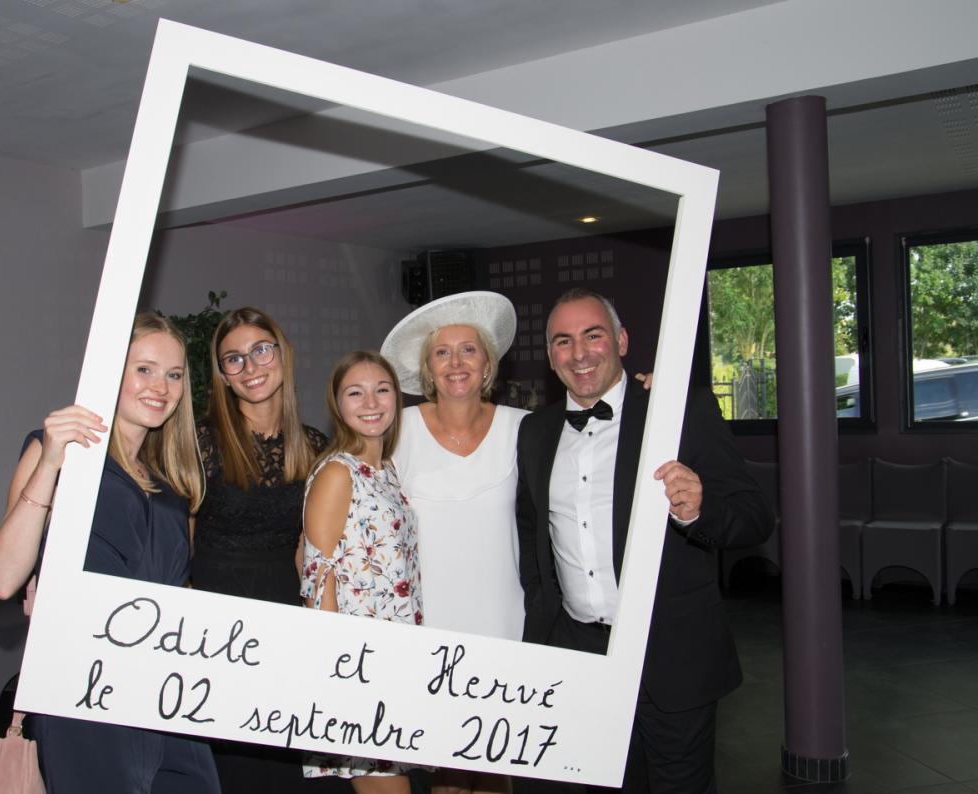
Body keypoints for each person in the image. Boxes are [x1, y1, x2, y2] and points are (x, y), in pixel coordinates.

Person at [515, 288, 772, 793]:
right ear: (550, 356)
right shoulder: (535, 432)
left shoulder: (675, 410)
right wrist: (542, 622)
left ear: (622, 341)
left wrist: (699, 510)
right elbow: (531, 532)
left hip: (670, 652)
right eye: (563, 341)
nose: (579, 353)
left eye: (593, 336)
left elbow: (754, 516)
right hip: (578, 655)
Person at [0, 312, 220, 794]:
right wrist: (50, 462)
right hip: (86, 694)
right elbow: (3, 579)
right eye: (144, 369)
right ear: (110, 371)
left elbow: (178, 591)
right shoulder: (58, 453)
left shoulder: (172, 484)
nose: (161, 387)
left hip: (167, 693)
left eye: (174, 374)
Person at [189, 306, 343, 793]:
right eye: (233, 359)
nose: (250, 367)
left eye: (261, 350)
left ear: (283, 355)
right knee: (236, 767)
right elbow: (179, 537)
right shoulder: (200, 441)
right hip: (216, 617)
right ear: (222, 375)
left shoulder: (313, 444)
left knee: (285, 757)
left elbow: (308, 547)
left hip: (283, 610)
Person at [380, 291, 523, 794]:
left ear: (487, 364)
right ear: (428, 369)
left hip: (503, 622)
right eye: (442, 352)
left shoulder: (523, 429)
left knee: (497, 764)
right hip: (428, 627)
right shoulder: (395, 431)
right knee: (446, 772)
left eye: (468, 350)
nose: (456, 363)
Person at [301, 350, 421, 793]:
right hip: (359, 668)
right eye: (356, 392)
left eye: (382, 390)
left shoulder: (386, 471)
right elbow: (316, 576)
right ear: (337, 403)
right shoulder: (338, 471)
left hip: (394, 660)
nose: (371, 402)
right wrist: (343, 676)